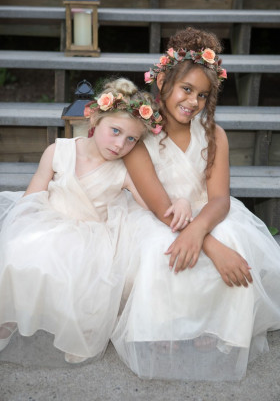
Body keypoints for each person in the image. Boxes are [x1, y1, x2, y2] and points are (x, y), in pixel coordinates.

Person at [111, 28, 280, 381]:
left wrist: (201, 229)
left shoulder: (214, 134)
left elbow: (220, 199)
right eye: (187, 89)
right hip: (157, 215)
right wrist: (204, 240)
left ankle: (217, 324)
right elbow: (159, 206)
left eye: (202, 95)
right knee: (159, 249)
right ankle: (163, 327)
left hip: (205, 211)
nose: (193, 101)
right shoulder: (139, 136)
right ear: (162, 80)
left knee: (234, 240)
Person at [0, 77, 188, 365]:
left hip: (91, 234)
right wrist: (20, 228)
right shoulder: (58, 151)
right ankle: (10, 317)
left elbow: (153, 204)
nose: (120, 144)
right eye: (115, 131)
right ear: (95, 119)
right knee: (19, 252)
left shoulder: (124, 171)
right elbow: (32, 197)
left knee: (86, 273)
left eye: (131, 139)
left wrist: (181, 202)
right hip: (51, 220)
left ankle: (80, 331)